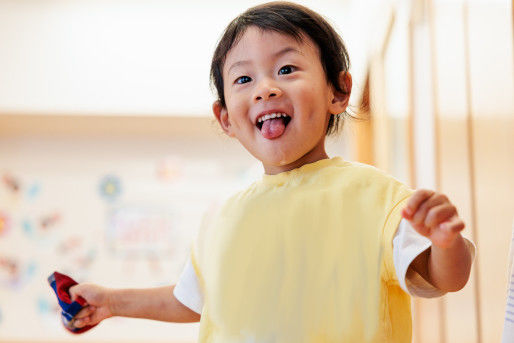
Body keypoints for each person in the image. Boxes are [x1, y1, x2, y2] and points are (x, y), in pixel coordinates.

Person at [68, 2, 475, 342]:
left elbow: (441, 279)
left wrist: (444, 242)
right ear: (225, 118)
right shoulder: (220, 219)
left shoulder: (378, 196)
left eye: (286, 70)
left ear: (339, 91)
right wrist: (111, 302)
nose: (265, 89)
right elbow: (189, 300)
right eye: (244, 78)